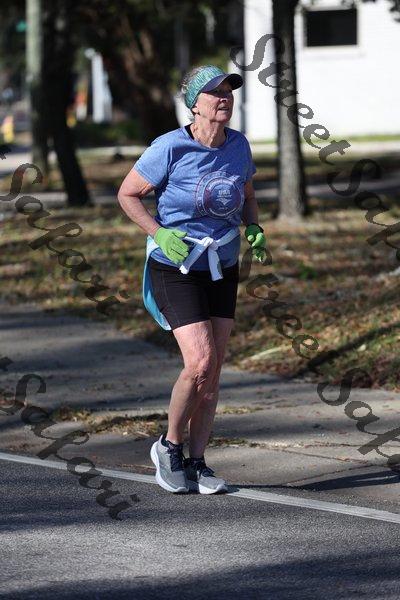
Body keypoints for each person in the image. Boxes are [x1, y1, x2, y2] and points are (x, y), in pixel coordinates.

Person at [118, 65, 267, 495]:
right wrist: (158, 232)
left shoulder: (238, 145)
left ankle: (197, 462)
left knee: (213, 372)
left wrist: (253, 227)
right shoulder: (169, 147)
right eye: (215, 92)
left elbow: (248, 195)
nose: (224, 98)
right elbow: (127, 194)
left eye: (229, 91)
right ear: (194, 104)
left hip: (221, 266)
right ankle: (169, 445)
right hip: (175, 266)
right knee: (199, 363)